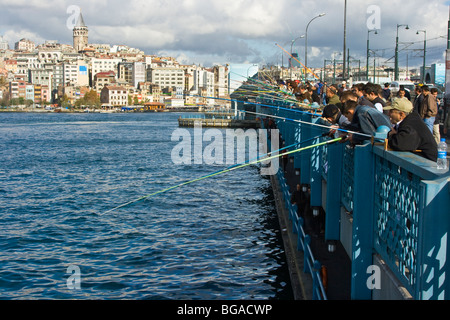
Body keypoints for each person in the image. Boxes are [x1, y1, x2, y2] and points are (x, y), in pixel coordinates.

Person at [384, 97, 438, 162]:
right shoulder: (409, 121)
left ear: (401, 114)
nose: (389, 114)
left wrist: (390, 136)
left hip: (427, 165)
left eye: (391, 111)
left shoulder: (410, 125)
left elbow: (399, 144)